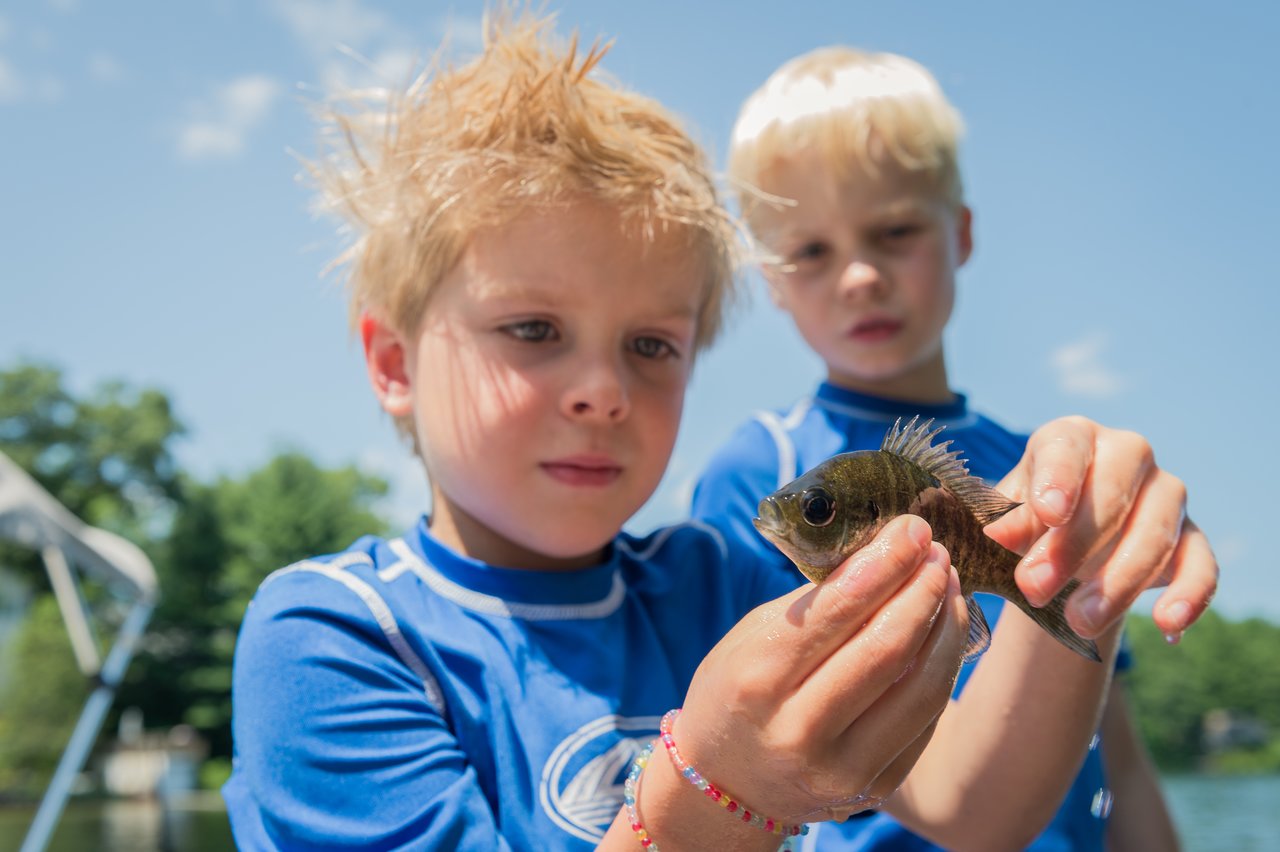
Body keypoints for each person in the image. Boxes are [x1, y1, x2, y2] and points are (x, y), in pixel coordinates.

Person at [223, 12, 1215, 851]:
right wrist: (712, 793)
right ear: (392, 364)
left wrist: (1076, 576)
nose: (602, 391)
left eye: (651, 345)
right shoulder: (331, 639)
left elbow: (973, 805)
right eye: (533, 330)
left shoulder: (724, 585)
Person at [691, 46, 1188, 850]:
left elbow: (1117, 749)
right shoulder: (757, 467)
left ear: (959, 234)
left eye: (894, 231)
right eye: (811, 251)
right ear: (773, 280)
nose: (859, 275)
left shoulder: (1043, 470)